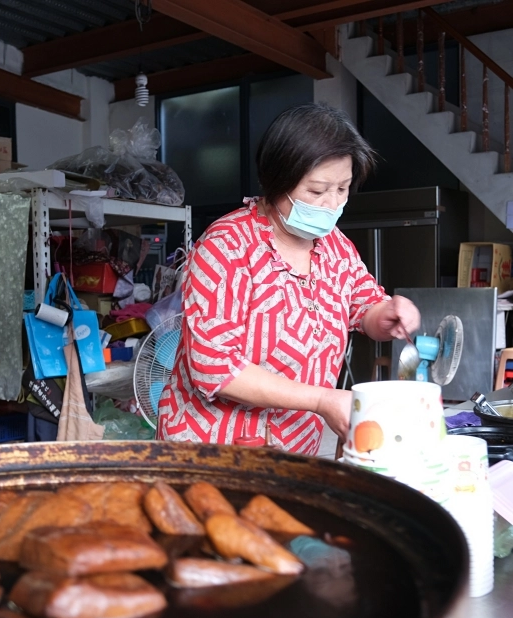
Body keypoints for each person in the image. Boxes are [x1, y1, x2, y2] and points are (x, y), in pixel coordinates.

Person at [156, 103, 421, 456]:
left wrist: (385, 314)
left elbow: (363, 304)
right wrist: (322, 399)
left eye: (342, 188)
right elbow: (213, 366)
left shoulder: (335, 246)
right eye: (317, 191)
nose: (331, 204)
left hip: (294, 446)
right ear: (277, 180)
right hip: (213, 450)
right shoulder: (227, 247)